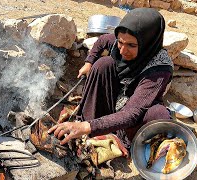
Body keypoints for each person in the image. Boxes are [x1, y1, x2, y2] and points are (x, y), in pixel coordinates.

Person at [48, 8, 173, 148]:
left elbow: (132, 113)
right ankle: (91, 121)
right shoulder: (123, 38)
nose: (123, 50)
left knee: (158, 114)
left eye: (132, 45)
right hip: (112, 99)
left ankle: (117, 137)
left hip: (134, 113)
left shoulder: (159, 68)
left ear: (148, 42)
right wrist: (88, 63)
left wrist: (87, 127)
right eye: (121, 42)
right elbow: (102, 40)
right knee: (103, 64)